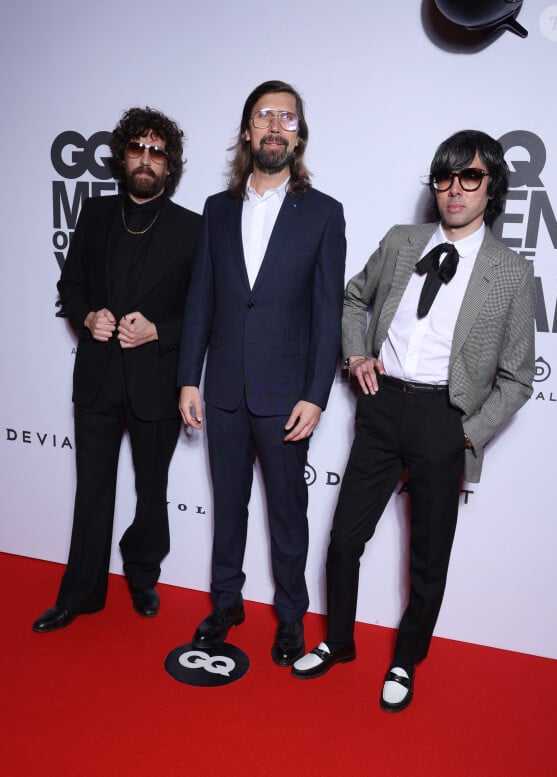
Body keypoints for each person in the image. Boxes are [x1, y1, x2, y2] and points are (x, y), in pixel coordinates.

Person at [292, 130, 535, 711]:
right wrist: (355, 358)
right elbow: (353, 298)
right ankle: (339, 642)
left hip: (443, 420)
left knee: (428, 557)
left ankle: (405, 660)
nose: (455, 190)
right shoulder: (403, 242)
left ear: (491, 187)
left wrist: (467, 433)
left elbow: (519, 378)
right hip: (382, 407)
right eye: (445, 177)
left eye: (470, 178)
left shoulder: (510, 272)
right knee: (344, 538)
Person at [178, 80, 346, 666]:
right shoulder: (217, 210)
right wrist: (188, 377)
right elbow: (201, 299)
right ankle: (227, 603)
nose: (275, 126)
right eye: (264, 116)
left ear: (298, 137)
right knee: (228, 507)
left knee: (286, 515)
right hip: (221, 388)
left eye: (288, 119)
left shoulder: (324, 213)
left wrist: (316, 395)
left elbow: (328, 315)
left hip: (284, 398)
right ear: (248, 131)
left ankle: (292, 617)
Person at [33, 107, 201, 633]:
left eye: (158, 151)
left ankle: (143, 571)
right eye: (138, 149)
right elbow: (71, 287)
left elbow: (201, 312)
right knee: (93, 490)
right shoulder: (96, 214)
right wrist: (87, 315)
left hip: (156, 378)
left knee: (152, 490)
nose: (147, 160)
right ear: (122, 156)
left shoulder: (192, 228)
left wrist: (158, 331)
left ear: (169, 164)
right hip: (99, 377)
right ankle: (79, 594)